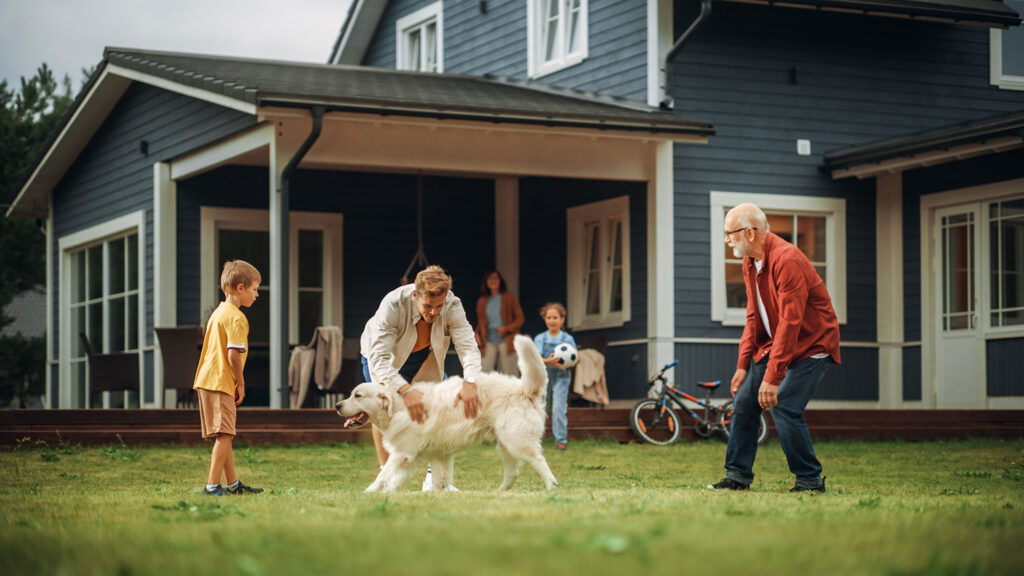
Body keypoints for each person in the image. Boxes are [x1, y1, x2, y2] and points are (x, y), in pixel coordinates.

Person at [709, 203, 840, 493]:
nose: (726, 240)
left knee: (783, 404)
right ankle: (737, 476)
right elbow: (754, 316)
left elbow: (791, 322)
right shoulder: (750, 262)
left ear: (750, 233)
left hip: (810, 345)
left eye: (730, 234)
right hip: (778, 344)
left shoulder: (787, 259)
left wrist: (772, 377)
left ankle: (809, 479)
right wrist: (743, 365)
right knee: (744, 402)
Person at [360, 265, 483, 490]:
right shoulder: (393, 304)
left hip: (424, 356)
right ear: (415, 295)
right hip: (383, 357)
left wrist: (470, 381)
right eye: (428, 305)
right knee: (383, 408)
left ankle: (436, 481)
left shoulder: (453, 305)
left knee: (441, 408)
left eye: (439, 306)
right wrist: (405, 391)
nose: (434, 312)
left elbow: (467, 347)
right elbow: (379, 359)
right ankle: (385, 479)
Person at [193, 260, 265, 496]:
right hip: (221, 382)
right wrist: (240, 383)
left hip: (206, 380)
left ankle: (232, 484)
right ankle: (212, 486)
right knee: (225, 434)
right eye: (255, 289)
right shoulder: (236, 317)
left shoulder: (217, 313)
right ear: (241, 288)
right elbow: (233, 354)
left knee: (224, 434)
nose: (257, 295)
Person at [534, 302, 576, 451]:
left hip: (562, 377)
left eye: (555, 317)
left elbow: (575, 358)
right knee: (542, 407)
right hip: (544, 376)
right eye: (549, 317)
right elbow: (536, 358)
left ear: (562, 319)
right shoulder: (540, 338)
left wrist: (566, 364)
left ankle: (561, 440)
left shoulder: (568, 339)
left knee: (558, 408)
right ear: (545, 319)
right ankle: (536, 438)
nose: (552, 320)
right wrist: (548, 361)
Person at [475, 269, 524, 376]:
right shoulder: (482, 300)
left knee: (509, 374)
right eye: (489, 278)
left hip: (507, 340)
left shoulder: (509, 297)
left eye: (495, 278)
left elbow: (520, 319)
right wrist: (477, 334)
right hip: (487, 340)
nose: (492, 281)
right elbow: (481, 322)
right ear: (486, 282)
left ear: (500, 280)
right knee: (484, 372)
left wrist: (506, 328)